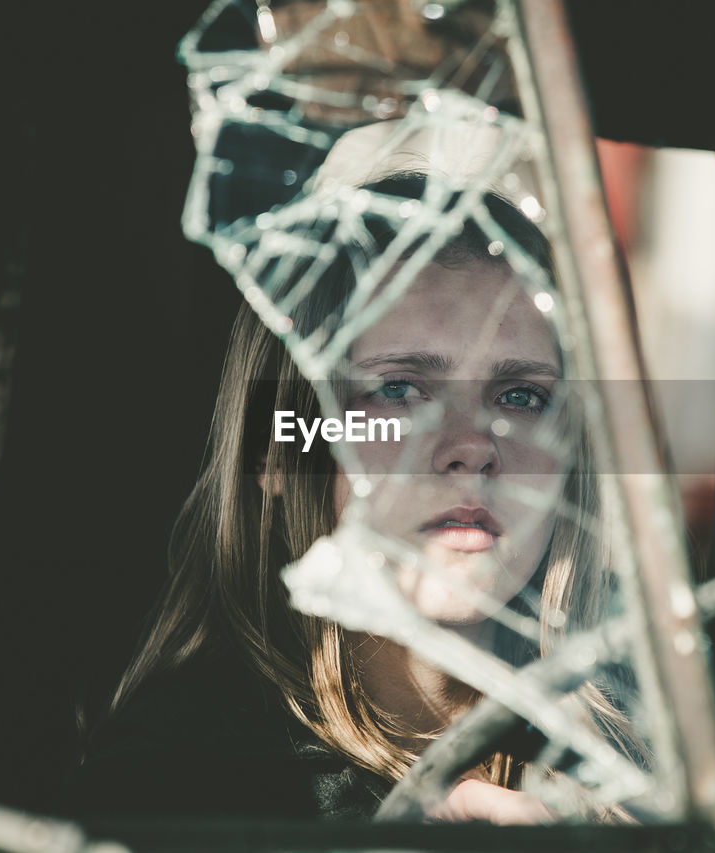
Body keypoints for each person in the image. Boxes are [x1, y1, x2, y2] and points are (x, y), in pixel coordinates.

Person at [69, 174, 624, 822]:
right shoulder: (171, 789)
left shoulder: (646, 747)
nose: (473, 446)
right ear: (280, 447)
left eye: (521, 396)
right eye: (399, 388)